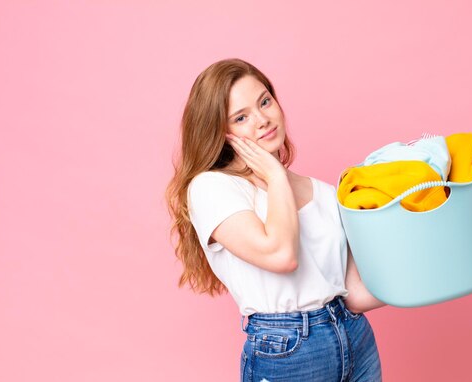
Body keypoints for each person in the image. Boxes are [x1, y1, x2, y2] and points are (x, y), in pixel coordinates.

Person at [166, 58, 387, 381]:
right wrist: (275, 175)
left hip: (354, 336)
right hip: (287, 351)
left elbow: (352, 294)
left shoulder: (325, 193)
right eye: (241, 117)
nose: (262, 120)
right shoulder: (213, 187)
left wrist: (421, 272)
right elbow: (281, 255)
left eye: (265, 101)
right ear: (220, 133)